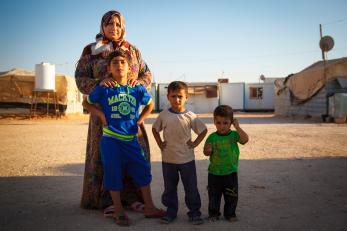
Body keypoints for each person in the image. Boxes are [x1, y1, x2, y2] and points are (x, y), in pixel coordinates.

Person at [75, 10, 152, 213]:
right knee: (105, 158)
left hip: (130, 116)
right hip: (104, 116)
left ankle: (133, 199)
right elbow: (80, 78)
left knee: (137, 155)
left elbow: (147, 73)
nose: (114, 28)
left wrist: (140, 82)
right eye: (109, 24)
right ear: (102, 26)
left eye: (118, 24)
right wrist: (100, 83)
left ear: (123, 26)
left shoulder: (133, 50)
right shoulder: (91, 50)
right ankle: (105, 201)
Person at [82, 50, 165, 226]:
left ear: (129, 67)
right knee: (113, 173)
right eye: (115, 63)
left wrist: (140, 120)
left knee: (142, 170)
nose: (119, 65)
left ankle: (149, 206)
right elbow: (86, 102)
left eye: (122, 62)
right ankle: (118, 210)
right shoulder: (105, 88)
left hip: (131, 139)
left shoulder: (136, 88)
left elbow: (150, 104)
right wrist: (101, 115)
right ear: (109, 68)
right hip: (111, 139)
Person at [152, 81, 207, 225]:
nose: (177, 99)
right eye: (173, 96)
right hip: (168, 160)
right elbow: (155, 129)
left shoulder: (191, 116)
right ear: (168, 97)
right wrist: (159, 143)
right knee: (169, 188)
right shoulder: (163, 115)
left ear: (186, 97)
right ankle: (171, 212)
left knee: (191, 188)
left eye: (180, 96)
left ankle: (194, 213)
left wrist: (195, 143)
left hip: (187, 160)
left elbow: (203, 130)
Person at [203, 105, 249, 222]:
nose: (222, 126)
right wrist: (207, 151)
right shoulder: (212, 137)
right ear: (214, 122)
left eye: (225, 123)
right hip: (214, 173)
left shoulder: (234, 135)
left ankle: (230, 214)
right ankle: (214, 214)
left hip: (230, 172)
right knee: (214, 196)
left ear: (231, 122)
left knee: (231, 195)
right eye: (218, 123)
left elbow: (244, 140)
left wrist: (237, 127)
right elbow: (206, 152)